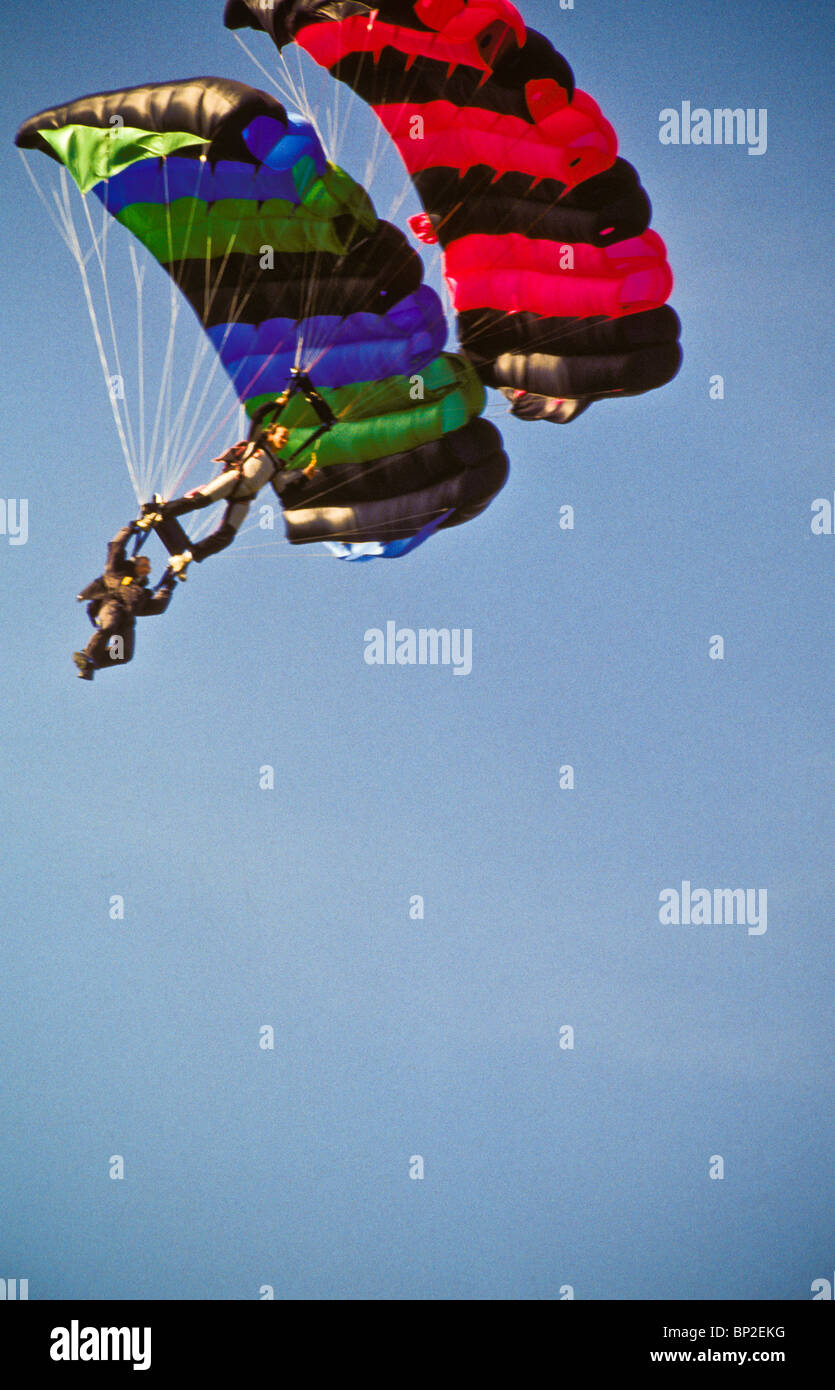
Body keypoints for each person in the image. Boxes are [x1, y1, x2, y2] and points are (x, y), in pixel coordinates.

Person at [140, 421, 292, 578]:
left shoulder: (276, 466)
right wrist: (279, 403)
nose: (285, 440)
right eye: (283, 436)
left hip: (243, 498)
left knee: (227, 536)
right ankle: (156, 513)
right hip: (235, 478)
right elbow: (257, 416)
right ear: (271, 434)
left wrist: (306, 476)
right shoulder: (256, 444)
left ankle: (186, 558)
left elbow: (285, 492)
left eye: (287, 438)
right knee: (200, 500)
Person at [73, 524, 176, 680]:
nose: (145, 568)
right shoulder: (115, 572)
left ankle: (90, 663)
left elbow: (157, 607)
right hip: (111, 606)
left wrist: (167, 588)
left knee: (122, 654)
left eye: (147, 568)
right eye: (142, 564)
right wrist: (129, 530)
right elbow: (115, 547)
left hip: (125, 621)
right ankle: (88, 657)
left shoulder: (141, 594)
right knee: (108, 626)